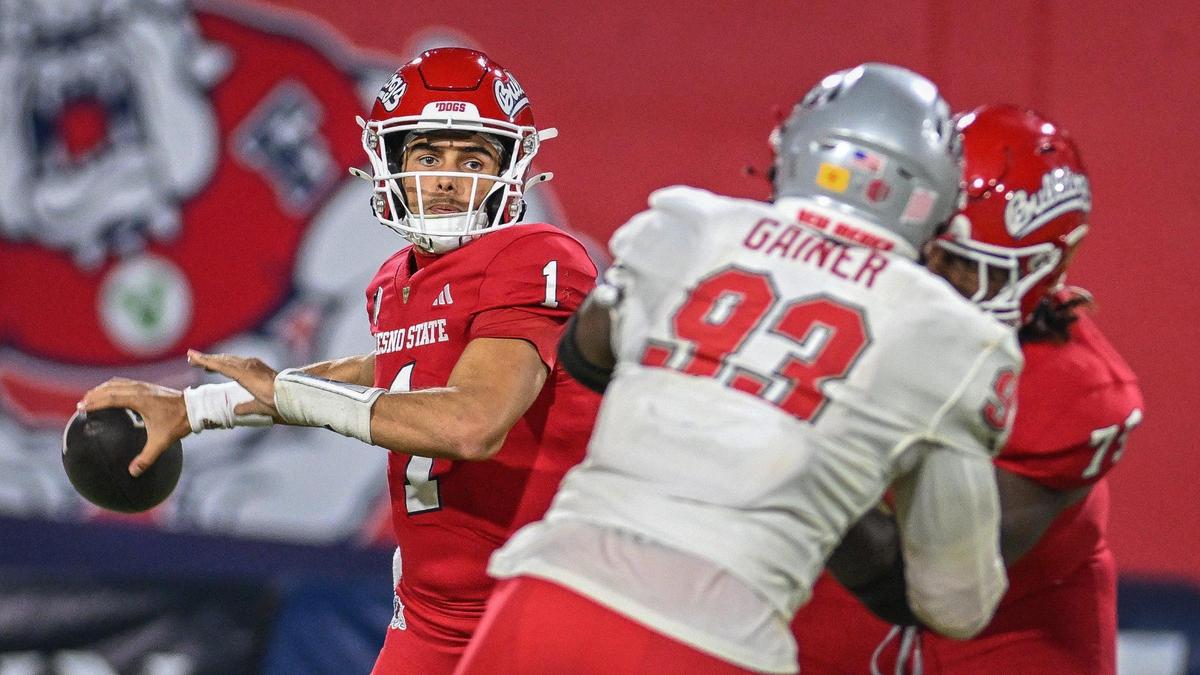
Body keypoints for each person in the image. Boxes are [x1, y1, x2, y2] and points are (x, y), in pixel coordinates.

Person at [454, 64, 1021, 675]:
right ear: (934, 201)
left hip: (550, 596)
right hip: (716, 641)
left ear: (798, 153)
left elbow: (587, 353)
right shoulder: (955, 340)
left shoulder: (689, 225)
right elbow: (955, 603)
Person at [79, 47, 601, 675]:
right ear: (388, 163)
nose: (447, 180)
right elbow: (388, 373)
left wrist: (289, 393)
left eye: (473, 159)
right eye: (429, 156)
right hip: (433, 615)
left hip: (540, 608)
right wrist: (196, 407)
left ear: (512, 169)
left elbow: (473, 422)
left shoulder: (537, 256)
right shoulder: (396, 280)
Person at [790, 105, 1144, 675]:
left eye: (964, 266)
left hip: (1006, 618)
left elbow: (933, 589)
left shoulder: (1072, 392)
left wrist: (788, 444)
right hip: (831, 576)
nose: (933, 282)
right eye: (925, 251)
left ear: (1043, 268)